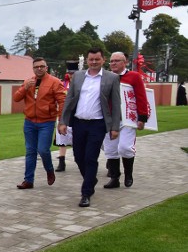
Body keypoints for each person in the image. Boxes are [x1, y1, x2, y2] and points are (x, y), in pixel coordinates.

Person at [58, 48, 121, 207]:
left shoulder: (111, 78)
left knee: (90, 158)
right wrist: (63, 121)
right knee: (79, 157)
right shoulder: (78, 76)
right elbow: (69, 100)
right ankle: (91, 179)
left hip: (97, 124)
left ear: (103, 60)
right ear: (87, 60)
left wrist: (115, 127)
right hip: (79, 123)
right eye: (91, 59)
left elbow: (116, 104)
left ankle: (86, 193)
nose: (94, 62)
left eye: (97, 59)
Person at [13, 57, 65, 189]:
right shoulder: (28, 82)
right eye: (36, 67)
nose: (39, 69)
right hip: (30, 121)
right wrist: (25, 88)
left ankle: (49, 169)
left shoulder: (54, 82)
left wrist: (62, 121)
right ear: (33, 68)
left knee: (43, 150)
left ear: (46, 68)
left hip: (46, 122)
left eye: (42, 66)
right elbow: (16, 98)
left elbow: (62, 102)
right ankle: (28, 180)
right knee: (30, 151)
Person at [102, 52, 150, 189]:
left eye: (117, 60)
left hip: (128, 119)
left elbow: (141, 97)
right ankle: (114, 178)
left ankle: (128, 174)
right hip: (110, 120)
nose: (113, 63)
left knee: (125, 147)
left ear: (125, 62)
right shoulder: (105, 77)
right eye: (111, 61)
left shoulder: (134, 77)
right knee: (110, 150)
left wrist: (142, 117)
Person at [54, 73, 73, 172]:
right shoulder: (62, 85)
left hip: (77, 116)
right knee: (62, 139)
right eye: (70, 73)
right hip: (63, 114)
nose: (71, 76)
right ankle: (62, 162)